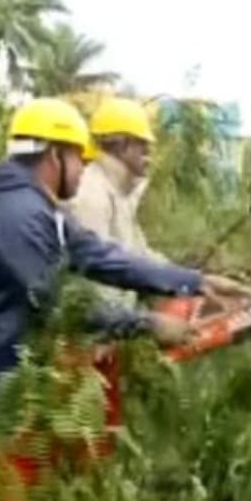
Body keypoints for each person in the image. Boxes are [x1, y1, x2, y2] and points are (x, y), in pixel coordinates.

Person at [0, 97, 251, 501]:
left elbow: (103, 258)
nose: (84, 171)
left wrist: (194, 281)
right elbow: (59, 300)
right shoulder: (18, 213)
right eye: (79, 159)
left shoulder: (39, 210)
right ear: (53, 157)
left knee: (5, 495)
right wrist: (149, 324)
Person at [64, 96, 170, 456]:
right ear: (120, 143)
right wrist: (144, 323)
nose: (148, 153)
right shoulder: (91, 196)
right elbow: (91, 280)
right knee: (81, 448)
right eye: (142, 144)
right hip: (83, 346)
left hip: (104, 341)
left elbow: (140, 257)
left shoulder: (117, 195)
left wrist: (196, 283)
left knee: (99, 444)